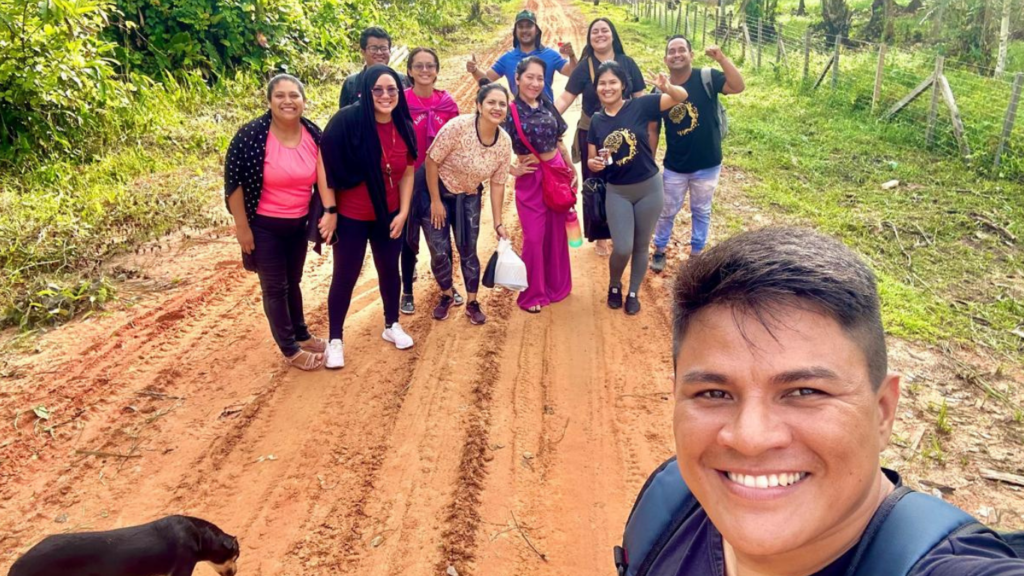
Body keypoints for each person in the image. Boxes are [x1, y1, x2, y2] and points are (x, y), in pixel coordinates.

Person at [622, 226, 1024, 575]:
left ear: (883, 411)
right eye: (714, 393)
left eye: (804, 392)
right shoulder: (669, 507)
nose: (750, 438)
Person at [224, 74, 325, 371]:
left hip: (297, 223)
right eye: (280, 95)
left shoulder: (313, 134)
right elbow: (234, 184)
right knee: (274, 287)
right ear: (269, 101)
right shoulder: (251, 136)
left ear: (304, 101)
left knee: (292, 281)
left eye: (294, 95)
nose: (287, 101)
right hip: (264, 226)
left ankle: (301, 333)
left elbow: (326, 178)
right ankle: (290, 348)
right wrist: (242, 228)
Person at [318, 65, 417, 369]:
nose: (386, 96)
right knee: (345, 276)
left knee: (390, 270)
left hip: (387, 215)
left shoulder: (403, 124)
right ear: (365, 90)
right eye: (378, 89)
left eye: (392, 90)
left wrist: (403, 212)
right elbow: (324, 165)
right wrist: (330, 210)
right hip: (351, 216)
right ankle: (335, 340)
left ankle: (391, 325)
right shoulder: (347, 122)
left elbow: (408, 170)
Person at [587, 61, 688, 315]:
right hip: (617, 190)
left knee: (642, 245)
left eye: (612, 82)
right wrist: (595, 164)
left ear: (623, 85)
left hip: (649, 188)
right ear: (596, 87)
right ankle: (614, 284)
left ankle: (633, 292)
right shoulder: (596, 121)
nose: (607, 87)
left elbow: (681, 97)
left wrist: (667, 87)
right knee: (622, 247)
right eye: (602, 83)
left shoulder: (641, 105)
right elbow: (591, 159)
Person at [416, 83, 513, 325]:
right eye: (491, 102)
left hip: (468, 196)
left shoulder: (504, 143)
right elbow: (431, 161)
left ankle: (472, 301)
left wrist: (498, 222)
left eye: (502, 104)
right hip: (435, 192)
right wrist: (436, 201)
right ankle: (447, 295)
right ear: (479, 105)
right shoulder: (458, 126)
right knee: (439, 251)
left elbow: (498, 183)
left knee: (468, 249)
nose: (497, 108)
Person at [555, 17, 647, 257]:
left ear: (613, 34)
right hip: (592, 134)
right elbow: (566, 98)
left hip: (625, 135)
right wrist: (547, 118)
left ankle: (624, 229)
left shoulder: (627, 63)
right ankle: (601, 236)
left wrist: (646, 132)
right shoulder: (585, 66)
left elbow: (640, 97)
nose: (600, 35)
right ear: (589, 39)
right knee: (595, 183)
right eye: (594, 32)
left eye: (604, 30)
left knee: (625, 179)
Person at [650, 38, 744, 272]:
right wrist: (649, 161)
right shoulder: (659, 88)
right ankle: (659, 249)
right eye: (671, 51)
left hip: (708, 163)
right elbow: (653, 128)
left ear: (691, 55)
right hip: (675, 165)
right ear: (665, 59)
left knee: (701, 210)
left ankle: (696, 254)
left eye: (682, 50)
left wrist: (721, 59)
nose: (677, 54)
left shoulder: (707, 77)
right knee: (667, 210)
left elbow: (738, 86)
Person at [504, 56, 574, 314]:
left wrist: (569, 166)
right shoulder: (509, 112)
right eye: (529, 77)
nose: (535, 83)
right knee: (534, 237)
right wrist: (513, 168)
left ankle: (557, 286)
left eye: (540, 78)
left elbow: (559, 138)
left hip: (555, 172)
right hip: (531, 178)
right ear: (518, 79)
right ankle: (533, 293)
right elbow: (493, 147)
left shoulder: (546, 103)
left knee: (556, 233)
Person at [401, 47, 461, 316]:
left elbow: (458, 142)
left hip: (438, 181)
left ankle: (447, 286)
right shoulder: (400, 102)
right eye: (419, 66)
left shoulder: (448, 103)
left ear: (437, 70)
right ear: (410, 70)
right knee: (407, 239)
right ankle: (407, 291)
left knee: (441, 237)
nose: (425, 71)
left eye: (430, 66)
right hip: (405, 180)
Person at [466, 10, 576, 101]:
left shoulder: (550, 55)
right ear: (515, 31)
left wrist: (572, 56)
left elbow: (573, 73)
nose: (525, 30)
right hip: (519, 119)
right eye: (520, 27)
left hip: (547, 116)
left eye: (529, 26)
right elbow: (487, 78)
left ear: (536, 30)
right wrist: (474, 70)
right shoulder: (507, 58)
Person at [338, 27, 411, 108]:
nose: (379, 53)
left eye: (384, 48)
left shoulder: (402, 81)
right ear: (363, 52)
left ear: (390, 51)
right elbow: (344, 116)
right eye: (373, 48)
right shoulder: (351, 84)